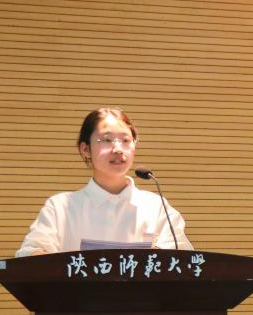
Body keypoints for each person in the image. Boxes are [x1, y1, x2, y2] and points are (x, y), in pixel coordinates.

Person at [16, 108, 193, 256]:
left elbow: (184, 260)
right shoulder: (60, 208)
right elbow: (29, 255)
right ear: (86, 149)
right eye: (107, 140)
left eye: (126, 140)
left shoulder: (156, 207)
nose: (118, 149)